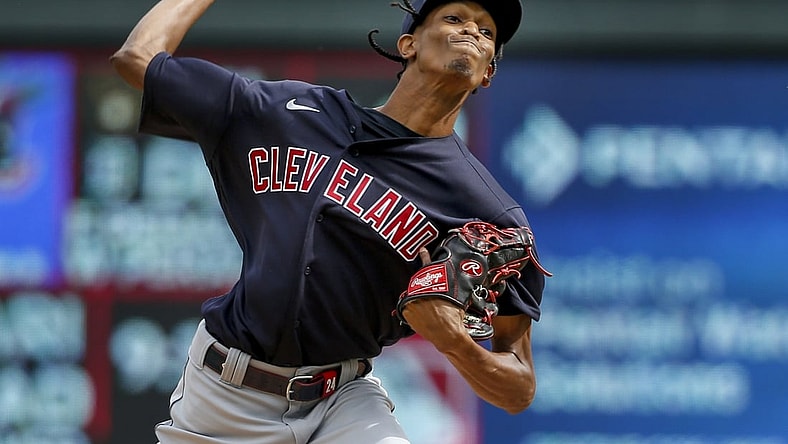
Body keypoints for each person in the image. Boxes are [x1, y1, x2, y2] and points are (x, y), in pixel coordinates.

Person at [111, 0, 547, 442]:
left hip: (340, 401)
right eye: (454, 19)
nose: (472, 31)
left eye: (488, 32)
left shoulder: (486, 211)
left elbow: (519, 389)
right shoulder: (286, 114)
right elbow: (137, 59)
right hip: (221, 396)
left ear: (488, 72)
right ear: (408, 44)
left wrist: (456, 342)